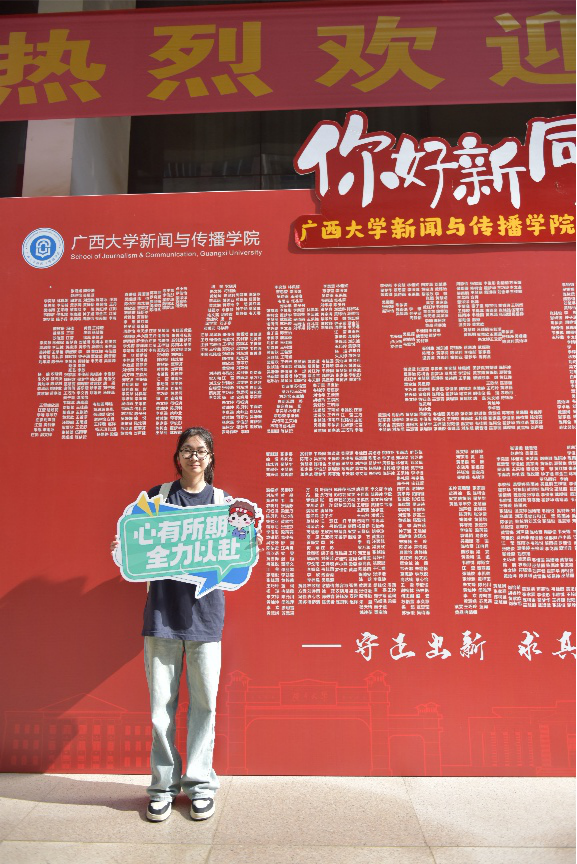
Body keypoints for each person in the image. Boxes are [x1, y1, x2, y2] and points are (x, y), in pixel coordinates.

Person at [112, 426, 262, 823]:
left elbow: (240, 555)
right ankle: (162, 788)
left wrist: (248, 545)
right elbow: (132, 544)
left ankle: (199, 785)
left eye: (201, 451)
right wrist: (122, 550)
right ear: (177, 457)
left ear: (210, 459)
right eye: (187, 450)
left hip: (206, 618)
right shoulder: (157, 498)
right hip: (162, 617)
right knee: (160, 709)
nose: (194, 457)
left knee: (205, 705)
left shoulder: (224, 505)